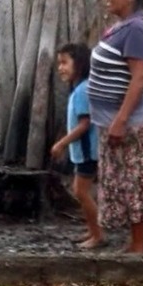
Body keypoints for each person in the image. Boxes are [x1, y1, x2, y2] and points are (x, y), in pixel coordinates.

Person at [87, 0, 143, 254]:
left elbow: (141, 76)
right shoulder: (121, 26)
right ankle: (131, 244)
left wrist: (121, 119)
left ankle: (138, 247)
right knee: (120, 181)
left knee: (135, 182)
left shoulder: (138, 28)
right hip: (111, 120)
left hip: (129, 123)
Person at [51, 42, 103, 250]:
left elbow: (85, 123)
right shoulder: (80, 88)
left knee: (81, 192)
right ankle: (93, 229)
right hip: (83, 151)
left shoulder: (83, 90)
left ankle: (98, 235)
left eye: (64, 63)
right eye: (59, 64)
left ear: (79, 64)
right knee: (81, 191)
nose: (60, 68)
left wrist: (61, 143)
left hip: (87, 150)